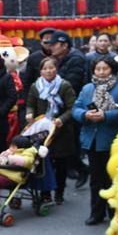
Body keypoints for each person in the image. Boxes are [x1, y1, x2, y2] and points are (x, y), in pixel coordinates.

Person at [73, 57, 118, 226]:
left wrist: (106, 116)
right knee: (96, 179)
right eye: (98, 69)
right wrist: (84, 115)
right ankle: (96, 213)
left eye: (105, 69)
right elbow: (76, 108)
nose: (101, 72)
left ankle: (115, 213)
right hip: (92, 140)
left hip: (112, 140)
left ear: (112, 70)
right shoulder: (87, 88)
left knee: (113, 179)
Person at [26, 57, 77, 204]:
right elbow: (30, 104)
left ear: (56, 69)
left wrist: (62, 119)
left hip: (61, 130)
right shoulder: (36, 86)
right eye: (45, 68)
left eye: (51, 68)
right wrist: (29, 113)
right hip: (42, 132)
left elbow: (72, 107)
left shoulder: (64, 86)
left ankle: (59, 192)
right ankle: (45, 193)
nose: (48, 71)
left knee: (61, 164)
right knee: (43, 164)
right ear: (40, 71)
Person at [50, 30, 89, 186]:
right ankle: (71, 170)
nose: (51, 47)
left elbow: (72, 84)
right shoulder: (60, 59)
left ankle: (81, 169)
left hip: (73, 106)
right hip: (61, 105)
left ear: (64, 45)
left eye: (54, 44)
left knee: (70, 143)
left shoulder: (76, 59)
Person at [0, 136, 45, 213]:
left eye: (13, 146)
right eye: (11, 145)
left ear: (20, 147)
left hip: (15, 177)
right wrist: (3, 156)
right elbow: (2, 159)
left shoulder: (28, 153)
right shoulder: (11, 151)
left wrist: (11, 158)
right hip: (4, 173)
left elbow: (26, 162)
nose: (10, 147)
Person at [22, 27, 55, 93]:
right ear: (41, 42)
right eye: (46, 39)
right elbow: (27, 80)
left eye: (51, 39)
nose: (49, 43)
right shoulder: (33, 58)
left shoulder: (60, 56)